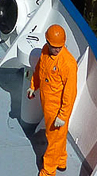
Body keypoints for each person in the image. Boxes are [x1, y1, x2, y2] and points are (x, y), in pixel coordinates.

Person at [27, 24, 77, 176]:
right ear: (48, 43)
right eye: (54, 46)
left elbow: (70, 93)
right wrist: (33, 86)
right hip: (47, 105)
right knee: (58, 137)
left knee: (53, 140)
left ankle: (48, 171)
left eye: (59, 46)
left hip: (58, 110)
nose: (56, 49)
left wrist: (62, 115)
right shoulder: (44, 51)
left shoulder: (68, 63)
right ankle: (61, 160)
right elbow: (39, 71)